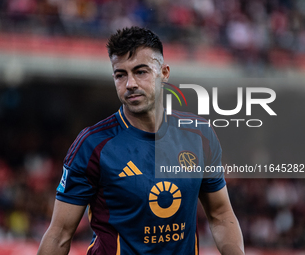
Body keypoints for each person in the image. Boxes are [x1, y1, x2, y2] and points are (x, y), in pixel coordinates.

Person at [37, 26, 244, 255]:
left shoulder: (199, 134)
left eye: (140, 71)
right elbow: (59, 235)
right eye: (120, 75)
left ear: (164, 73)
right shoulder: (92, 145)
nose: (130, 84)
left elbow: (221, 216)